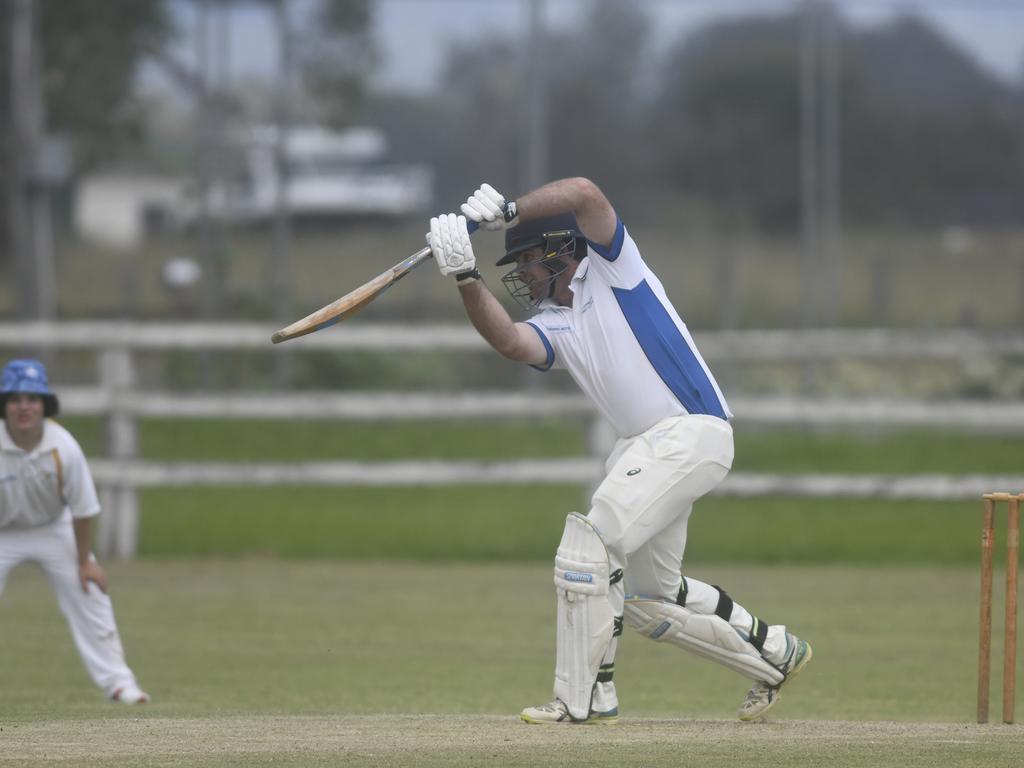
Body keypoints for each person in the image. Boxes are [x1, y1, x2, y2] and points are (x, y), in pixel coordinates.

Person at [427, 178, 812, 724]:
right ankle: (775, 652)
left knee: (590, 544)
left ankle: (583, 699)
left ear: (564, 249)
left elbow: (586, 193)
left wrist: (509, 212)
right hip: (648, 447)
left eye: (529, 259)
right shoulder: (553, 323)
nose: (523, 273)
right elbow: (512, 342)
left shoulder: (614, 267)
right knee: (650, 601)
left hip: (690, 430)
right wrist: (465, 277)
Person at [0, 359, 149, 704]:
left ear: (44, 405)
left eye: (32, 399)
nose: (24, 407)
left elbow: (83, 510)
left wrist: (85, 562)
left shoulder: (62, 447)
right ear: (5, 405)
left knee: (91, 591)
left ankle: (120, 684)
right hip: (2, 532)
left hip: (55, 528)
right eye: (15, 399)